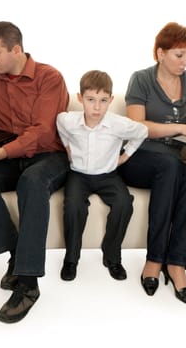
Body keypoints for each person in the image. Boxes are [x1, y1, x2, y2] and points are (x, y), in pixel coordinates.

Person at [0, 21, 70, 323]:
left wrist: (3, 152)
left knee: (32, 182)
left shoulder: (49, 77)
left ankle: (28, 284)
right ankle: (16, 254)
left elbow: (44, 132)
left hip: (49, 156)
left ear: (15, 49)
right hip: (8, 155)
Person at [118, 22, 186, 306]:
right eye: (179, 55)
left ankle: (176, 263)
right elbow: (137, 126)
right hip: (139, 159)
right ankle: (154, 259)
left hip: (172, 164)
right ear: (160, 53)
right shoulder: (141, 79)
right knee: (171, 166)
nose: (184, 61)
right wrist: (181, 128)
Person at [56, 70, 148, 282]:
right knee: (73, 207)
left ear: (111, 100)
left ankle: (112, 256)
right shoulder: (68, 120)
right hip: (78, 175)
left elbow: (141, 132)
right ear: (80, 99)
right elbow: (60, 126)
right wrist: (67, 147)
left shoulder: (118, 124)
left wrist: (125, 156)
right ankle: (71, 259)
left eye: (103, 101)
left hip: (108, 175)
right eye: (90, 100)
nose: (96, 107)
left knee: (124, 204)